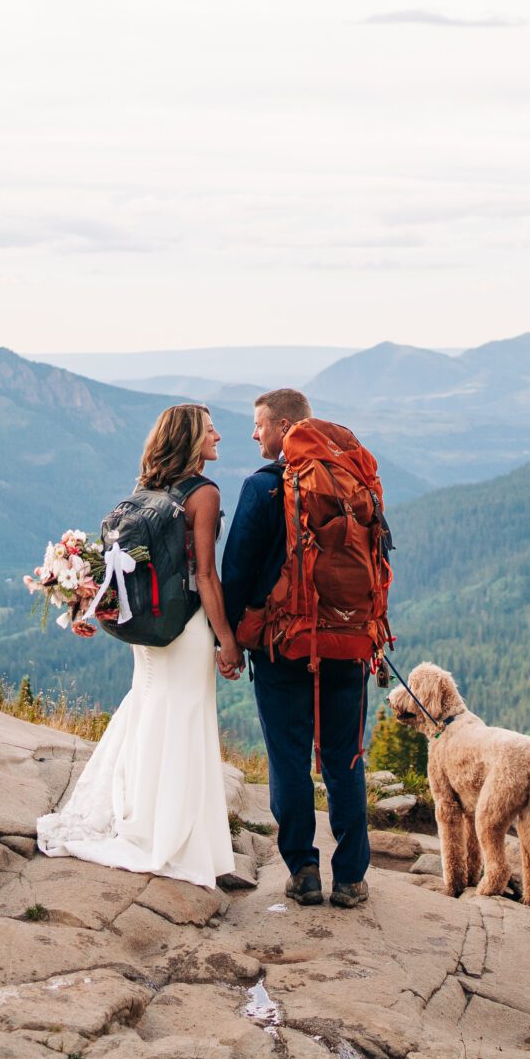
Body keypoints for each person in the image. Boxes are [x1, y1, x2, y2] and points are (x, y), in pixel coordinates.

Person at [35, 403, 245, 889]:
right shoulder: (204, 493)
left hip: (151, 628)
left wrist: (83, 608)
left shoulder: (145, 488)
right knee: (187, 719)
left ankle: (141, 820)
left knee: (151, 710)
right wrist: (228, 641)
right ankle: (178, 839)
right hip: (188, 626)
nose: (218, 437)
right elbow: (207, 575)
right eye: (211, 430)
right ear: (193, 438)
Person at [220, 387, 371, 909]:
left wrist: (232, 640)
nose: (254, 434)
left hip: (286, 646)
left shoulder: (262, 488)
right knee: (344, 758)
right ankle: (351, 878)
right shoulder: (353, 477)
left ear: (284, 427)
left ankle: (304, 871)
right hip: (349, 641)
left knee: (288, 758)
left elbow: (235, 571)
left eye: (259, 425)